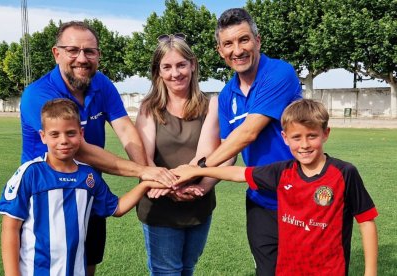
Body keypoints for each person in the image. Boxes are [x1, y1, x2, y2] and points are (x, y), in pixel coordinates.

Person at [19, 21, 176, 275]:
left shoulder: (101, 84)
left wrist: (148, 172)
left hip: (89, 192)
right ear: (56, 53)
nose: (82, 58)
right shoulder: (38, 94)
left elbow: (125, 128)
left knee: (87, 264)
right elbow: (78, 150)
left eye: (89, 51)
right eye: (73, 50)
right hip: (46, 200)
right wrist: (144, 171)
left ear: (98, 56)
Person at [172, 99, 379, 276]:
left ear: (325, 134)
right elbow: (238, 173)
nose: (304, 144)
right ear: (285, 138)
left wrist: (370, 272)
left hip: (329, 270)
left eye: (312, 136)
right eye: (296, 137)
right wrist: (198, 171)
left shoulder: (344, 173)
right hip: (286, 270)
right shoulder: (281, 172)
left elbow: (366, 220)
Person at [0, 99, 169, 276]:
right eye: (54, 134)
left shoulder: (89, 177)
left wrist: (145, 184)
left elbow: (116, 208)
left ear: (81, 133)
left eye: (71, 133)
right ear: (43, 136)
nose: (63, 140)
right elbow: (10, 228)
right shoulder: (30, 174)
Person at [193, 8, 302, 275]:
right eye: (228, 44)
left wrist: (194, 169)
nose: (237, 50)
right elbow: (227, 151)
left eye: (244, 40)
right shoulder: (227, 94)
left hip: (300, 196)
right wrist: (201, 185)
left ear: (258, 40)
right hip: (259, 200)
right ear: (220, 51)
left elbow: (248, 134)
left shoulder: (279, 73)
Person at [134, 33, 230, 275]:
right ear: (158, 72)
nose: (175, 73)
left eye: (181, 65)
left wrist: (201, 187)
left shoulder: (212, 106)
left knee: (187, 269)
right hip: (159, 204)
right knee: (167, 271)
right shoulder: (149, 108)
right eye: (167, 67)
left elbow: (214, 154)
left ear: (193, 65)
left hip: (198, 200)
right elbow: (143, 159)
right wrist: (169, 187)